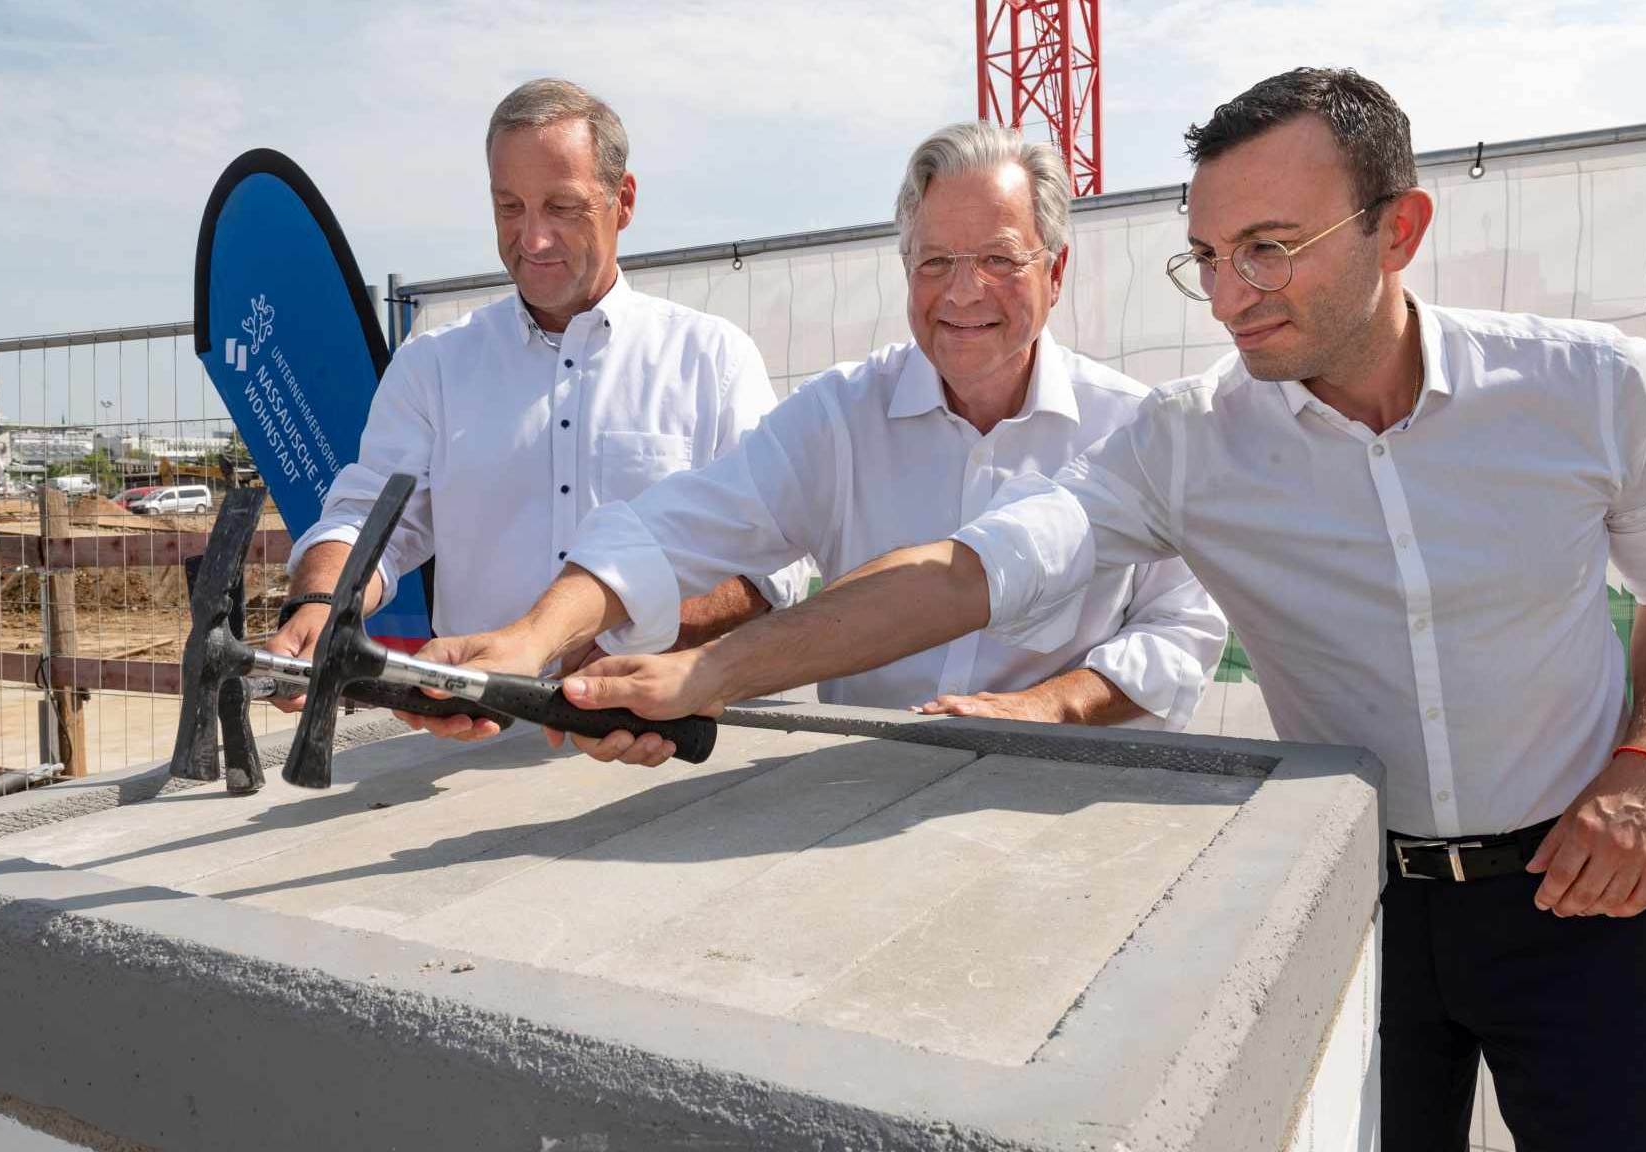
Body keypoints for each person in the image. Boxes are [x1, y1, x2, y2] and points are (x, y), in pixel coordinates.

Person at [470, 69, 1646, 1151]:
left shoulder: (1591, 388)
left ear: (1398, 228)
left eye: (1272, 248)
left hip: (1584, 898)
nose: (1235, 292)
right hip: (1356, 906)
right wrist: (703, 674)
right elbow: (965, 571)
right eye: (1211, 257)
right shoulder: (1188, 446)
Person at [399, 122, 1226, 762]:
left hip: (1063, 796)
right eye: (934, 260)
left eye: (998, 259)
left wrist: (1051, 705)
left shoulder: (1131, 427)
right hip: (858, 790)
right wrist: (536, 638)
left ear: (1057, 269)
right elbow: (671, 526)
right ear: (903, 269)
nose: (963, 291)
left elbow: (1182, 631)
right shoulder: (842, 418)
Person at [264, 78, 802, 699]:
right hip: (475, 732)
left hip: (663, 732)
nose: (533, 238)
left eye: (562, 207)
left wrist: (634, 644)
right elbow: (370, 517)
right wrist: (320, 602)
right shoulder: (435, 365)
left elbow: (777, 562)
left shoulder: (712, 360)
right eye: (509, 207)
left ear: (622, 201)